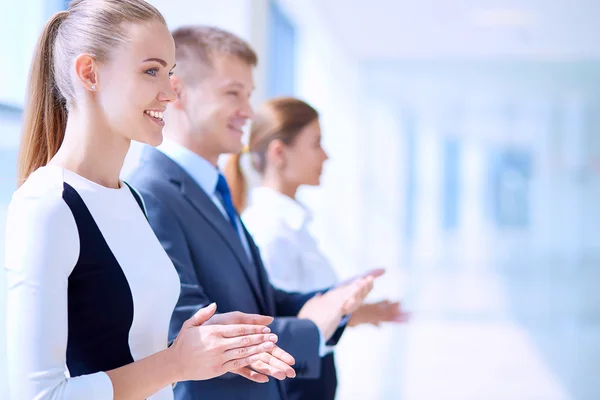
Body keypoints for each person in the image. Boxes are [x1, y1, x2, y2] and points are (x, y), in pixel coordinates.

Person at [5, 3, 295, 399]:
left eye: (171, 72)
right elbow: (34, 396)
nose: (170, 90)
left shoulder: (131, 200)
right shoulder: (47, 207)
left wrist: (209, 348)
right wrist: (177, 362)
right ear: (90, 73)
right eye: (151, 71)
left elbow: (136, 357)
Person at [127, 25, 378, 400]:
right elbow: (190, 327)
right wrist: (311, 328)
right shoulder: (152, 191)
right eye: (233, 93)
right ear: (177, 92)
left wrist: (331, 303)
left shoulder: (211, 189)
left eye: (249, 95)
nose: (248, 111)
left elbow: (260, 301)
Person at [226, 96, 411, 400]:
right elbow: (277, 327)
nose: (325, 156)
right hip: (292, 386)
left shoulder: (292, 226)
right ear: (279, 153)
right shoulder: (269, 231)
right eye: (316, 143)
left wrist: (357, 308)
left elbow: (304, 312)